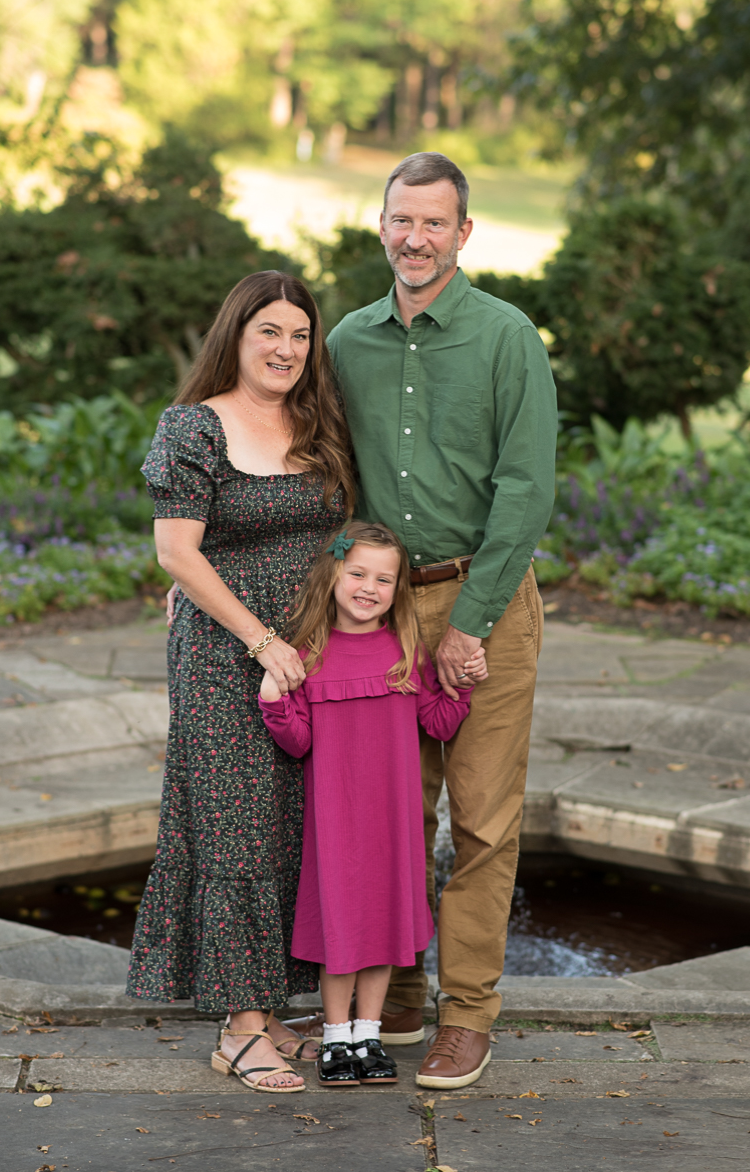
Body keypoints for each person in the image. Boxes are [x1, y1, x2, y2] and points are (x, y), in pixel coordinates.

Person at [305, 151, 557, 1090]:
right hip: (379, 607)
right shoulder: (350, 344)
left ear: (463, 232)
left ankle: (468, 1015)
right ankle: (392, 995)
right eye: (401, 221)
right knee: (387, 814)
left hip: (484, 598)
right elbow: (323, 478)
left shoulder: (506, 337)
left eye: (434, 223)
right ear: (381, 227)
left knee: (484, 820)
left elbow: (528, 491)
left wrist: (470, 624)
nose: (416, 239)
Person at [128, 270, 357, 1094]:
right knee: (236, 826)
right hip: (229, 655)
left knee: (297, 823)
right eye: (271, 332)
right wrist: (258, 638)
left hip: (310, 650)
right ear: (237, 335)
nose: (286, 349)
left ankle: (271, 1002)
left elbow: (336, 534)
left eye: (300, 335)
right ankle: (240, 1028)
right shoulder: (192, 428)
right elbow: (176, 550)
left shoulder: (320, 422)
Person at [258, 522, 486, 1087]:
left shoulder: (407, 649)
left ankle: (369, 1035)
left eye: (384, 578)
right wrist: (273, 703)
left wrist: (465, 685)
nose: (369, 586)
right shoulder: (309, 652)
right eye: (357, 572)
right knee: (341, 924)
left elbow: (437, 721)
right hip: (334, 818)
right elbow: (298, 741)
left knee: (381, 922)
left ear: (398, 588)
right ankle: (337, 1039)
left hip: (392, 818)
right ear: (332, 573)